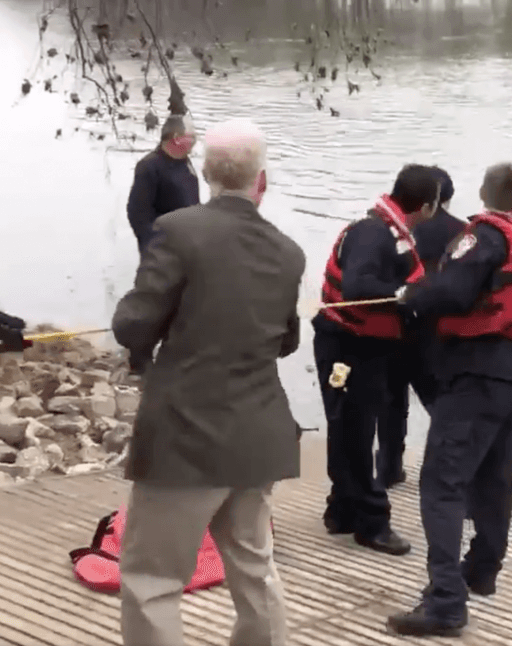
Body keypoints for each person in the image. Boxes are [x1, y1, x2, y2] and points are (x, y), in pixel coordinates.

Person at [110, 118, 305, 646]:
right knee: (254, 568)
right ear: (260, 182)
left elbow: (133, 325)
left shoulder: (176, 230)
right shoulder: (289, 253)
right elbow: (287, 340)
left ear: (206, 173)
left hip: (184, 438)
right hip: (258, 433)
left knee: (153, 578)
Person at [387, 162, 512, 637]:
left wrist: (412, 295)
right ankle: (482, 568)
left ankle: (445, 602)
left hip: (476, 370)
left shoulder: (481, 236)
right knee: (494, 477)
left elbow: (455, 292)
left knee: (441, 484)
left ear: (484, 192)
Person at [312, 164, 442, 555]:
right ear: (427, 205)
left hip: (359, 344)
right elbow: (357, 286)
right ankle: (372, 520)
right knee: (355, 429)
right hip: (348, 345)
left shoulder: (389, 230)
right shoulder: (372, 234)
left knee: (348, 426)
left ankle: (342, 509)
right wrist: (406, 294)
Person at [376, 165, 467, 489]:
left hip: (395, 320)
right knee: (441, 402)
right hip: (434, 330)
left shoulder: (398, 227)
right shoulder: (464, 232)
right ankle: (450, 472)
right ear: (448, 199)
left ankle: (388, 469)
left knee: (392, 401)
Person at [127, 113, 201, 255]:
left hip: (188, 251)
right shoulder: (149, 166)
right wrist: (156, 247)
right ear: (176, 138)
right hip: (163, 255)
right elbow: (137, 214)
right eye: (192, 136)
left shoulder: (185, 163)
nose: (195, 140)